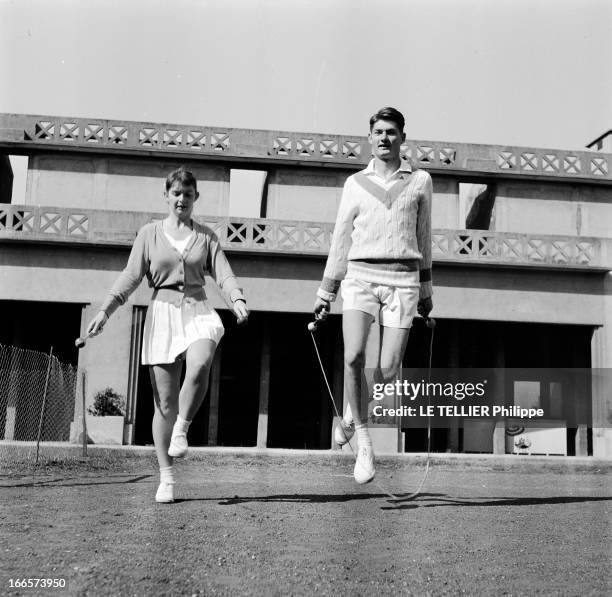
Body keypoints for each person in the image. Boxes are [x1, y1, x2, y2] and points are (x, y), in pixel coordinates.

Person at [86, 167, 249, 503]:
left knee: (201, 362)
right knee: (164, 404)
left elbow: (224, 273)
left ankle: (183, 428)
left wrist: (237, 299)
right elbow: (131, 276)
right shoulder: (149, 234)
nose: (181, 199)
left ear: (195, 198)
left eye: (188, 194)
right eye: (176, 193)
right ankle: (167, 476)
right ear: (167, 196)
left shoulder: (206, 236)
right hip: (162, 314)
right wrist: (105, 310)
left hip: (198, 308)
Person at [314, 107, 433, 484]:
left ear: (402, 137)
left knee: (387, 370)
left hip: (404, 280)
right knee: (352, 356)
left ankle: (352, 413)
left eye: (392, 132)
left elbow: (425, 238)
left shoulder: (420, 181)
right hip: (360, 277)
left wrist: (427, 291)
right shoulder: (354, 184)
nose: (384, 138)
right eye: (378, 132)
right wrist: (326, 291)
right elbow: (340, 240)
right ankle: (364, 445)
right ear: (369, 137)